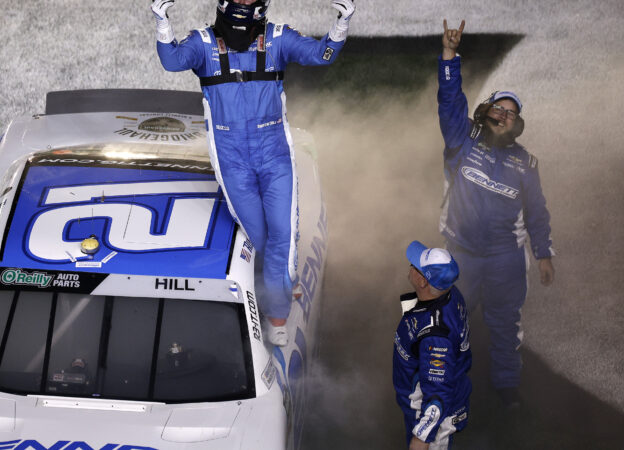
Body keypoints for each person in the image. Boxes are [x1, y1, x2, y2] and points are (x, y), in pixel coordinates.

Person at [151, 0, 356, 346]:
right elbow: (172, 61)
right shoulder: (202, 43)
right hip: (232, 163)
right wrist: (161, 22)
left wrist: (342, 23)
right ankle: (269, 292)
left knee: (281, 240)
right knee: (261, 241)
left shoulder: (277, 38)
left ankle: (277, 316)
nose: (244, 3)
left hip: (276, 158)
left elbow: (323, 55)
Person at [437, 20, 555, 408]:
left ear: (517, 123)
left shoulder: (526, 163)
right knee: (449, 322)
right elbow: (450, 100)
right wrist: (450, 57)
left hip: (506, 258)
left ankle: (507, 387)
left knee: (505, 325)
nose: (504, 114)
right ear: (485, 111)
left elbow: (536, 212)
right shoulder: (461, 139)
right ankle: (442, 385)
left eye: (511, 112)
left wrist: (543, 254)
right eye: (499, 107)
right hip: (461, 253)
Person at [394, 241, 471, 450]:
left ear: (422, 281)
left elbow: (438, 394)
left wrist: (421, 437)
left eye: (414, 265)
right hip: (423, 399)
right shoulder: (450, 293)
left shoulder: (436, 339)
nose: (410, 265)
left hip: (431, 418)